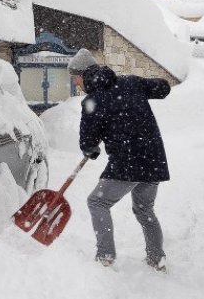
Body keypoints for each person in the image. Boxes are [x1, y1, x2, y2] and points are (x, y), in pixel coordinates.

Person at [67, 49, 170, 272]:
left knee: (97, 202)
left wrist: (91, 150)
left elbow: (88, 143)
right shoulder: (131, 82)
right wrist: (152, 86)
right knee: (144, 209)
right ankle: (156, 258)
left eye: (75, 78)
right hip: (153, 159)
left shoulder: (92, 102)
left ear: (84, 75)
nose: (76, 84)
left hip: (128, 162)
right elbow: (163, 88)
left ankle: (105, 256)